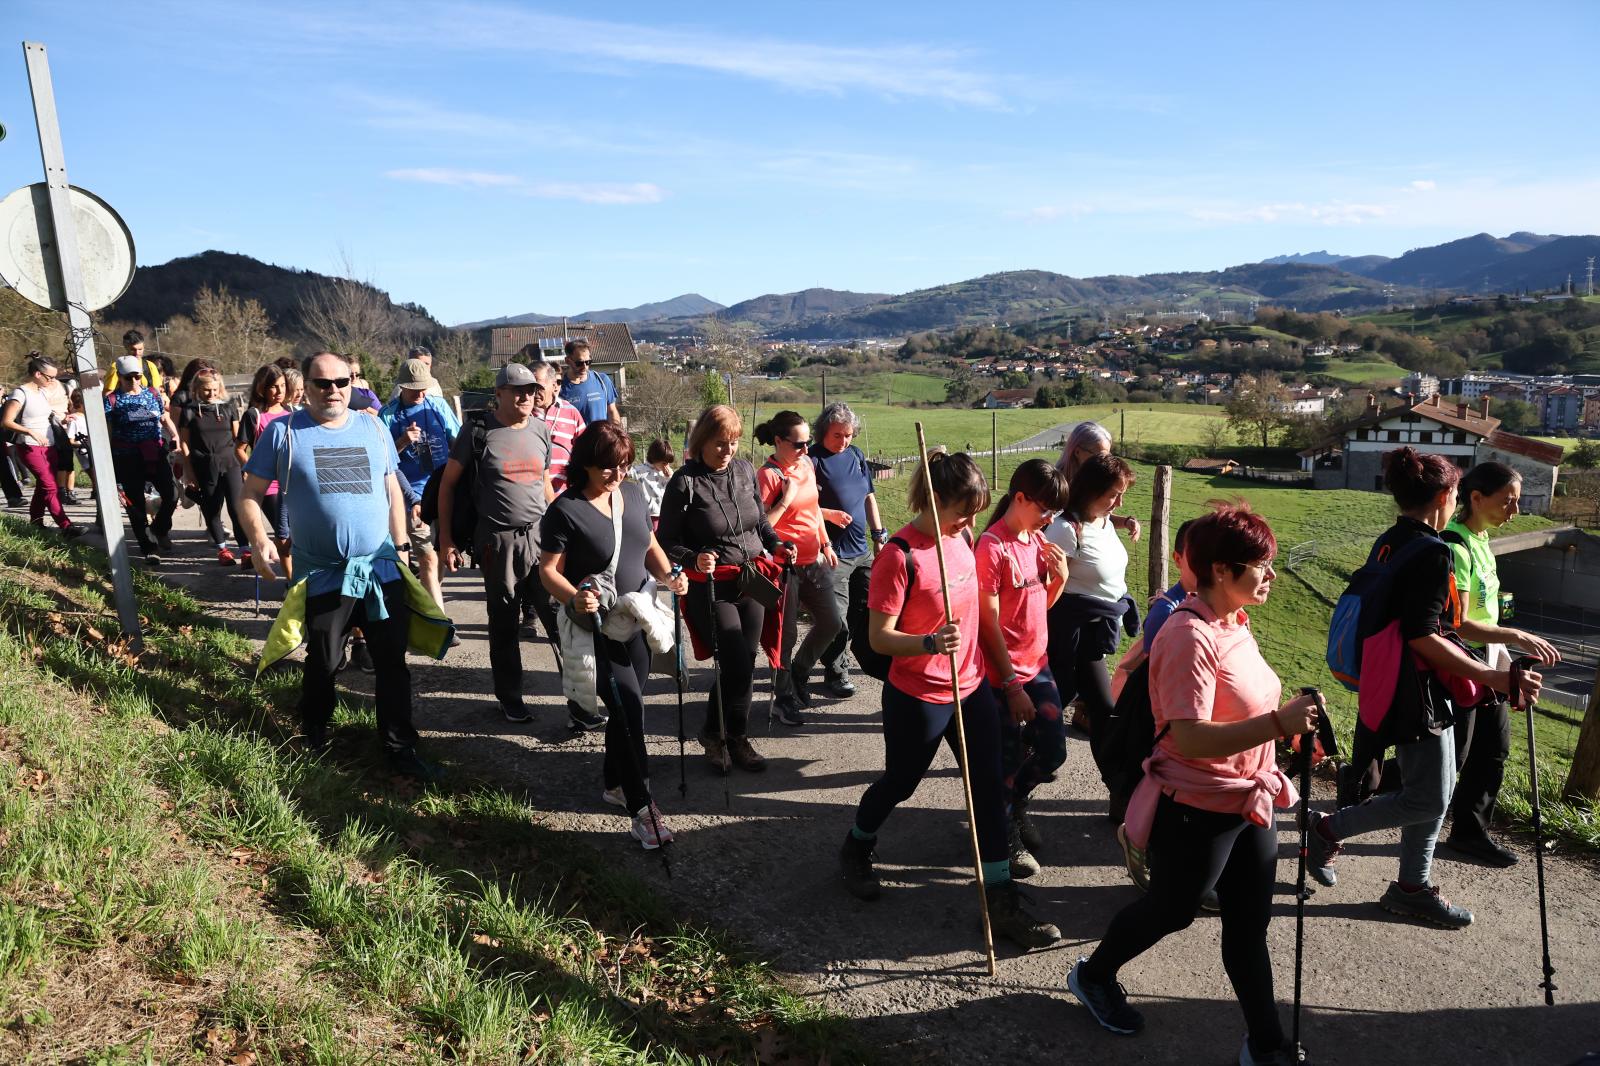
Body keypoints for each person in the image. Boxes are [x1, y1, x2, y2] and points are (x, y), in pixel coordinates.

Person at [1068, 503, 1319, 1066]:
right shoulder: (1188, 635)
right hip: (1197, 805)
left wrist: (1287, 734)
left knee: (1249, 925)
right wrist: (1279, 724)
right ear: (1223, 570)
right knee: (1172, 909)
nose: (1271, 575)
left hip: (1249, 795)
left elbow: (1244, 705)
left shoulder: (1234, 624)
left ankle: (1266, 1044)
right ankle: (1093, 974)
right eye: (1262, 564)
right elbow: (1190, 737)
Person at [1307, 447, 1541, 929]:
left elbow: (1425, 624)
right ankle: (1327, 829)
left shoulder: (1392, 540)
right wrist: (1492, 677)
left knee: (1433, 788)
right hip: (1416, 693)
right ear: (1446, 495)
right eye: (1456, 494)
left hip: (1391, 681)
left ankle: (1411, 887)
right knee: (1429, 798)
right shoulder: (1434, 553)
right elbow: (1424, 636)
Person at [836, 450, 1059, 948]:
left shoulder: (961, 538)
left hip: (972, 686)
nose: (971, 520)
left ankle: (1000, 900)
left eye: (976, 511)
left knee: (989, 788)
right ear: (934, 501)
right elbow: (879, 638)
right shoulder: (900, 556)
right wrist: (929, 643)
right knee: (901, 782)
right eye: (963, 509)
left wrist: (1007, 677)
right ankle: (856, 846)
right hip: (919, 693)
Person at [240, 352, 438, 780]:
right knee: (325, 659)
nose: (333, 391)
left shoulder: (373, 426)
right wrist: (259, 540)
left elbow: (391, 488)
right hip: (324, 571)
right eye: (322, 383)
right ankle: (313, 730)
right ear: (305, 387)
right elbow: (249, 493)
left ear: (352, 382)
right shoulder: (283, 432)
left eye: (341, 382)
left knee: (391, 662)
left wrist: (401, 547)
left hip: (380, 567)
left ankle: (399, 746)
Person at [541, 421, 690, 848]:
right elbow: (548, 571)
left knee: (629, 707)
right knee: (630, 712)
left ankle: (613, 782)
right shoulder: (565, 510)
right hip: (599, 626)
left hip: (638, 617)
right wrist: (574, 599)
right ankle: (642, 809)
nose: (617, 474)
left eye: (624, 465)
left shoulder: (632, 493)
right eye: (608, 467)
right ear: (585, 462)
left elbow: (649, 545)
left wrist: (671, 575)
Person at [656, 404, 792, 773]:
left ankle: (734, 736)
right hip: (710, 586)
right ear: (701, 441)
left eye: (732, 442)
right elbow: (665, 540)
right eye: (719, 443)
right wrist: (695, 556)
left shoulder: (745, 470)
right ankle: (715, 735)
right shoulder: (685, 482)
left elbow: (760, 521)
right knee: (733, 659)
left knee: (745, 664)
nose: (727, 450)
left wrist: (777, 544)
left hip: (751, 578)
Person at [1438, 462, 1560, 867]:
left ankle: (1470, 834)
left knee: (1493, 749)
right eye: (1508, 502)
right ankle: (1364, 781)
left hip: (1489, 659)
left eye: (1517, 502)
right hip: (1463, 666)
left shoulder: (1481, 539)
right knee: (1452, 755)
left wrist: (1506, 642)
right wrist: (1517, 636)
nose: (1516, 511)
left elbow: (1485, 614)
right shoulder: (1455, 546)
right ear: (1476, 498)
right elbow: (1459, 621)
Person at [437, 363, 554, 722]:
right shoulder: (478, 431)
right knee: (503, 623)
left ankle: (581, 698)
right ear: (498, 394)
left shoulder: (540, 429)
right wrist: (446, 540)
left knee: (559, 619)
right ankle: (510, 696)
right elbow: (447, 486)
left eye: (531, 390)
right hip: (497, 542)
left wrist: (562, 532)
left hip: (539, 536)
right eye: (517, 390)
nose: (526, 396)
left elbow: (545, 484)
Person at [975, 459, 1071, 878]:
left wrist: (1060, 579)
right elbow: (987, 622)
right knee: (1007, 762)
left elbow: (1038, 607)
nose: (1050, 519)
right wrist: (1012, 686)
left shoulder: (1035, 540)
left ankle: (1017, 807)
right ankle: (1003, 833)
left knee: (1053, 751)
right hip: (1003, 677)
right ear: (1020, 498)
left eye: (1054, 512)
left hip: (1038, 667)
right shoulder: (992, 547)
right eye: (1045, 509)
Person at [1044, 453, 1139, 813]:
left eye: (1122, 493)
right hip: (1074, 634)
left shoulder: (1101, 521)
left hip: (1096, 631)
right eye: (1113, 493)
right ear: (1091, 489)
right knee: (1102, 709)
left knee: (1065, 702)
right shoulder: (1065, 530)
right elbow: (1048, 589)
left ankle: (1026, 751)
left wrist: (1121, 518)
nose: (1118, 501)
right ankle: (1119, 791)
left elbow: (1108, 520)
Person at [755, 410, 843, 725]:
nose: (806, 450)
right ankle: (782, 698)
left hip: (814, 561)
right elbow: (760, 528)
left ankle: (800, 673)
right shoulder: (767, 475)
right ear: (778, 441)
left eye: (808, 443)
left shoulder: (805, 464)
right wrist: (784, 497)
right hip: (784, 567)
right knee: (785, 635)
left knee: (832, 623)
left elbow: (813, 509)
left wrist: (826, 543)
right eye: (798, 444)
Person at [810, 402, 888, 699]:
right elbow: (802, 506)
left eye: (848, 435)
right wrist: (828, 515)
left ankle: (835, 655)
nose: (844, 441)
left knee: (863, 610)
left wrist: (879, 535)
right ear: (823, 433)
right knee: (837, 616)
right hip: (832, 553)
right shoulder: (813, 460)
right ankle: (836, 671)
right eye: (837, 435)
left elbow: (869, 497)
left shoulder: (856, 455)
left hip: (862, 550)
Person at [380, 357, 461, 610]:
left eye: (424, 387)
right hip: (409, 496)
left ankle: (421, 603)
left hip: (443, 492)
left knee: (439, 555)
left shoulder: (437, 406)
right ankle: (439, 621)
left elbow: (457, 441)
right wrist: (402, 441)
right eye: (415, 388)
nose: (420, 392)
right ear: (402, 387)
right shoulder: (388, 415)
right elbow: (383, 461)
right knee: (426, 556)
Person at [104, 354, 179, 563]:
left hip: (155, 452)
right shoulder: (112, 400)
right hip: (127, 457)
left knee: (172, 494)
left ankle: (159, 528)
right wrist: (106, 460)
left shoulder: (152, 394)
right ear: (119, 377)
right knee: (135, 504)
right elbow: (107, 431)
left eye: (138, 376)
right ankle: (148, 548)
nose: (134, 381)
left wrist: (175, 435)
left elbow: (163, 417)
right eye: (129, 378)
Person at [1, 354, 84, 537]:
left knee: (43, 486)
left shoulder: (42, 392)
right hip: (30, 447)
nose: (53, 381)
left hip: (49, 446)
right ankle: (66, 526)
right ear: (38, 374)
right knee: (50, 486)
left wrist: (64, 418)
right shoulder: (20, 393)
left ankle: (36, 523)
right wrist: (30, 432)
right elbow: (6, 421)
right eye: (50, 377)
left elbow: (42, 416)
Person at [178, 370, 246, 564]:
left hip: (230, 462)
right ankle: (222, 549)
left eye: (215, 390)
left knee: (237, 507)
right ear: (198, 389)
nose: (211, 394)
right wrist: (189, 472)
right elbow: (184, 443)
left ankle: (244, 547)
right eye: (206, 390)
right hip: (204, 464)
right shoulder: (189, 410)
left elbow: (238, 438)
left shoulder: (228, 407)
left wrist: (245, 465)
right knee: (212, 507)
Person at [235, 364, 294, 571]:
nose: (279, 392)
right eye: (273, 387)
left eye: (282, 386)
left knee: (299, 532)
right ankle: (291, 582)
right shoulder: (254, 415)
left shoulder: (292, 412)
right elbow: (240, 449)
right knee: (284, 535)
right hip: (269, 485)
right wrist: (251, 471)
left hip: (292, 482)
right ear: (261, 388)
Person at [1057, 421, 1140, 541]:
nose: (1105, 461)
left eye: (1108, 456)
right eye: (1100, 455)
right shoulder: (1057, 485)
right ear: (1077, 452)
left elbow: (1095, 514)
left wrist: (1126, 522)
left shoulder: (1091, 483)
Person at [532, 360, 585, 495]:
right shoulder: (523, 415)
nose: (534, 392)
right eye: (530, 387)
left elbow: (585, 452)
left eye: (539, 386)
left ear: (553, 385)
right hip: (531, 499)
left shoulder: (570, 412)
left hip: (565, 495)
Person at [558, 338, 620, 424]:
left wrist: (617, 434)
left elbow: (612, 411)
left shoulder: (602, 380)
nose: (584, 367)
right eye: (579, 363)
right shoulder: (559, 387)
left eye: (588, 362)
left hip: (601, 437)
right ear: (568, 361)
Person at [629, 439, 674, 527]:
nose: (667, 466)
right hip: (648, 514)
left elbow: (672, 488)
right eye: (664, 462)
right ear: (655, 458)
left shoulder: (667, 473)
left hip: (663, 512)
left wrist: (670, 477)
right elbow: (626, 473)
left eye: (668, 463)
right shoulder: (642, 470)